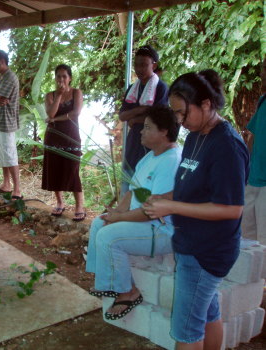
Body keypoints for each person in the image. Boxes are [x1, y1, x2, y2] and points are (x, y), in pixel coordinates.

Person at [143, 70, 249, 349]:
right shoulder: (195, 137)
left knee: (186, 330)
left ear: (205, 104)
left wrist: (171, 205)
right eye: (175, 114)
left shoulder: (226, 146)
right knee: (207, 312)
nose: (179, 121)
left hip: (207, 250)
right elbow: (189, 188)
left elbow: (231, 209)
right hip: (191, 243)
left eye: (182, 113)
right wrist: (161, 199)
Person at [86, 106, 181, 320]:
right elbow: (132, 191)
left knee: (108, 236)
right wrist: (116, 212)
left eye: (147, 127)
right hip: (145, 222)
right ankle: (105, 280)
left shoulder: (171, 161)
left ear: (164, 131)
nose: (141, 131)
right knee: (99, 224)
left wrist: (119, 218)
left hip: (161, 230)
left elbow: (151, 212)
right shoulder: (150, 157)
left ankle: (128, 291)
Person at [119, 45, 169, 192]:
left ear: (154, 65)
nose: (139, 69)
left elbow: (159, 117)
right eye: (137, 65)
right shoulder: (132, 89)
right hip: (134, 141)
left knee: (145, 185)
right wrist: (142, 109)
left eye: (144, 65)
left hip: (151, 144)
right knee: (128, 180)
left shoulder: (161, 87)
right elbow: (122, 116)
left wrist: (134, 118)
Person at [41, 64, 85, 221]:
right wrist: (59, 96)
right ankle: (60, 202)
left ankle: (80, 205)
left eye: (64, 76)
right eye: (58, 76)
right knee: (54, 169)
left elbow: (76, 113)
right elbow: (50, 112)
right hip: (53, 137)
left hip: (71, 136)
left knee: (73, 170)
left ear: (70, 78)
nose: (61, 79)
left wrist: (55, 119)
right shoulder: (50, 95)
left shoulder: (76, 93)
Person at [0, 50, 21, 199]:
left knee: (10, 155)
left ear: (2, 61)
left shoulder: (10, 77)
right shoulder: (0, 78)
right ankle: (6, 184)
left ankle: (17, 189)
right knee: (3, 155)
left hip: (6, 121)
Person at [241, 58, 266, 245]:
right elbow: (253, 137)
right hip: (253, 180)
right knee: (248, 241)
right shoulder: (263, 101)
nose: (262, 73)